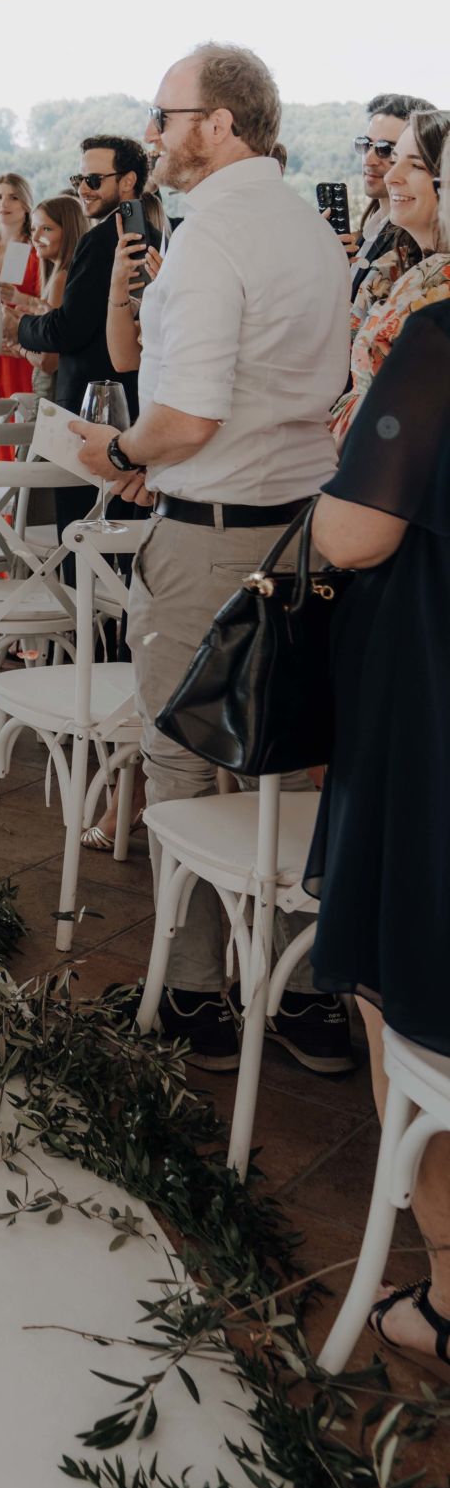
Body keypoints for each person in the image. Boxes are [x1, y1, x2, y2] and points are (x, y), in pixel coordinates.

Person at [73, 44, 352, 1075]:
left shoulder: (211, 238)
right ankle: (305, 992)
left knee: (181, 747)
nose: (154, 132)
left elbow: (183, 418)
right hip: (306, 527)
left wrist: (119, 451)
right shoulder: (313, 232)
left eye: (166, 113)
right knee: (285, 750)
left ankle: (195, 995)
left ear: (222, 123)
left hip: (211, 534)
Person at [308, 269, 450, 1373]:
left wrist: (325, 492)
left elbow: (355, 535)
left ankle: (448, 1290)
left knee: (415, 1001)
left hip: (436, 710)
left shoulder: (442, 340)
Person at [9, 134, 149, 426]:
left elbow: (69, 328)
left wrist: (18, 327)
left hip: (94, 403)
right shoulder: (151, 233)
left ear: (127, 181)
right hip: (132, 395)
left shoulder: (100, 240)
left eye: (94, 180)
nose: (83, 189)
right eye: (79, 179)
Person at [331, 107, 448, 446]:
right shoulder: (393, 268)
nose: (392, 175)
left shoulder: (437, 288)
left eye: (415, 165)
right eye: (394, 159)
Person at [348, 93, 435, 315]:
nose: (369, 158)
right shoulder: (368, 232)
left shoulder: (414, 249)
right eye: (365, 144)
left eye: (386, 149)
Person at [19, 195, 85, 400]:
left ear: (68, 231)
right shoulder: (57, 277)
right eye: (33, 229)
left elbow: (49, 362)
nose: (36, 237)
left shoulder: (60, 280)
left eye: (46, 229)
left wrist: (17, 344)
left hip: (51, 396)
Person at [0, 173, 39, 408]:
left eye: (13, 197)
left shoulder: (37, 249)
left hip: (20, 346)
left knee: (17, 417)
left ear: (26, 204)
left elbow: (50, 303)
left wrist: (19, 297)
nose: (3, 204)